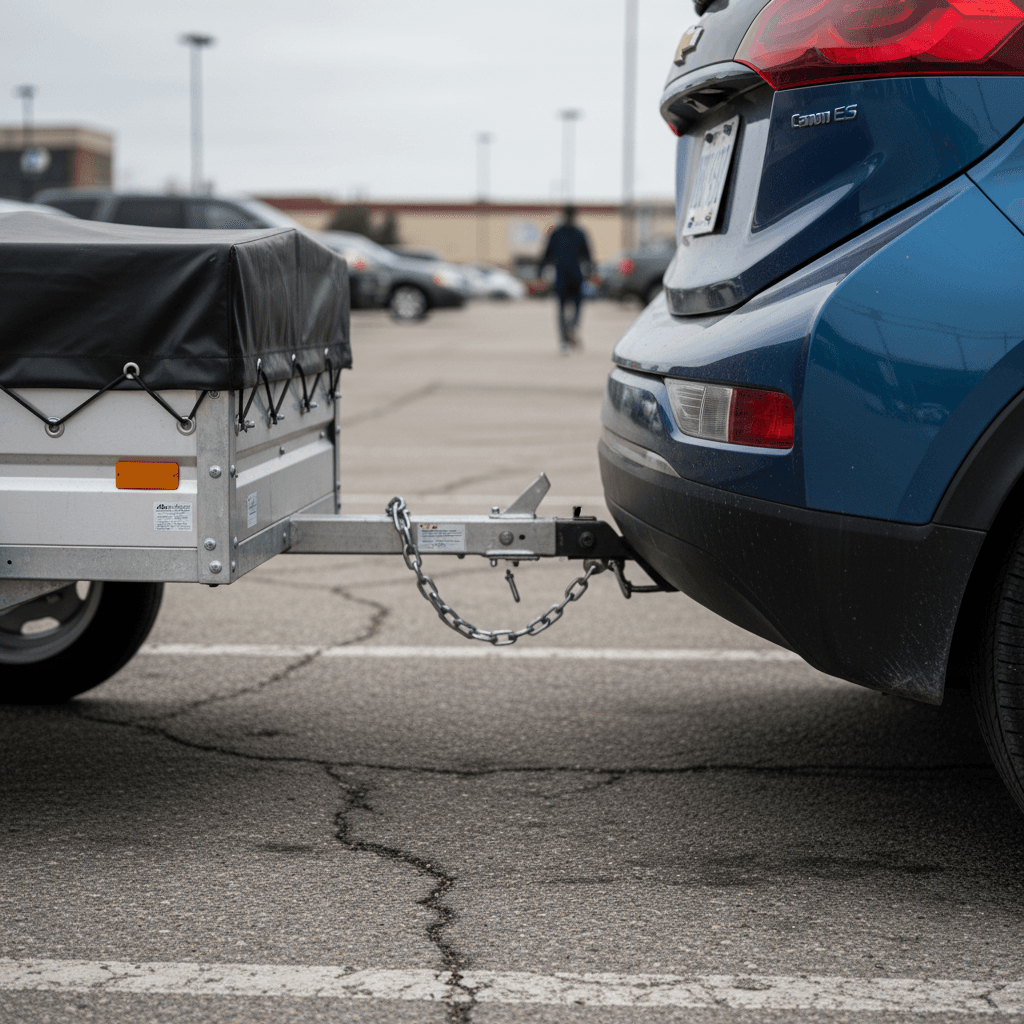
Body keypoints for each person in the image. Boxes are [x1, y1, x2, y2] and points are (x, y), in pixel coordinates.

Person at [537, 205, 592, 354]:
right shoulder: (557, 233)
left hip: (574, 275)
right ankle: (564, 339)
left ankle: (571, 329)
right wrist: (540, 271)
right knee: (562, 308)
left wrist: (591, 270)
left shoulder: (579, 233)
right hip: (563, 276)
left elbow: (587, 255)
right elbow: (547, 254)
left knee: (577, 306)